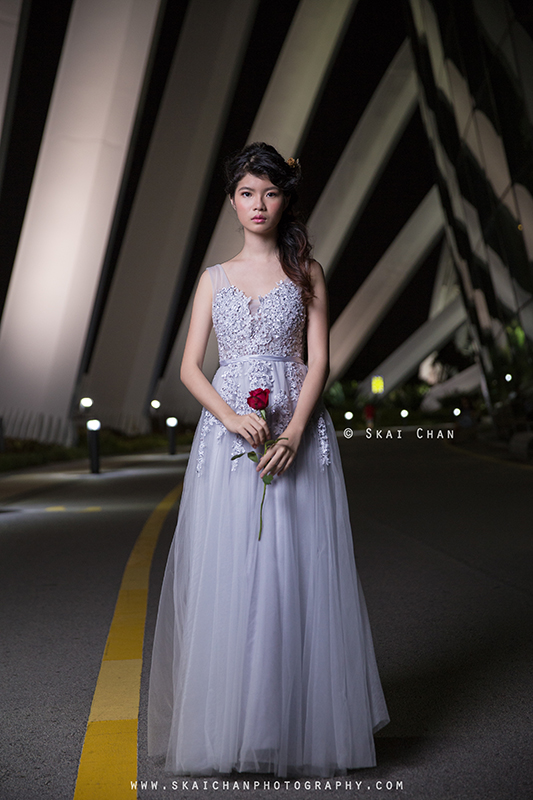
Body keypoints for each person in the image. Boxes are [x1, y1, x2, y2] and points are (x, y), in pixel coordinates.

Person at [147, 142, 389, 778]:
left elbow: (320, 362)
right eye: (248, 193)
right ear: (232, 201)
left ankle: (287, 724)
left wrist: (295, 432)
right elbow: (189, 368)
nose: (259, 204)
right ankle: (234, 726)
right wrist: (231, 419)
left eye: (271, 193)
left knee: (290, 570)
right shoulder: (213, 279)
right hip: (230, 438)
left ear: (286, 200)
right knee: (235, 573)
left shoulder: (307, 272)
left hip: (295, 435)